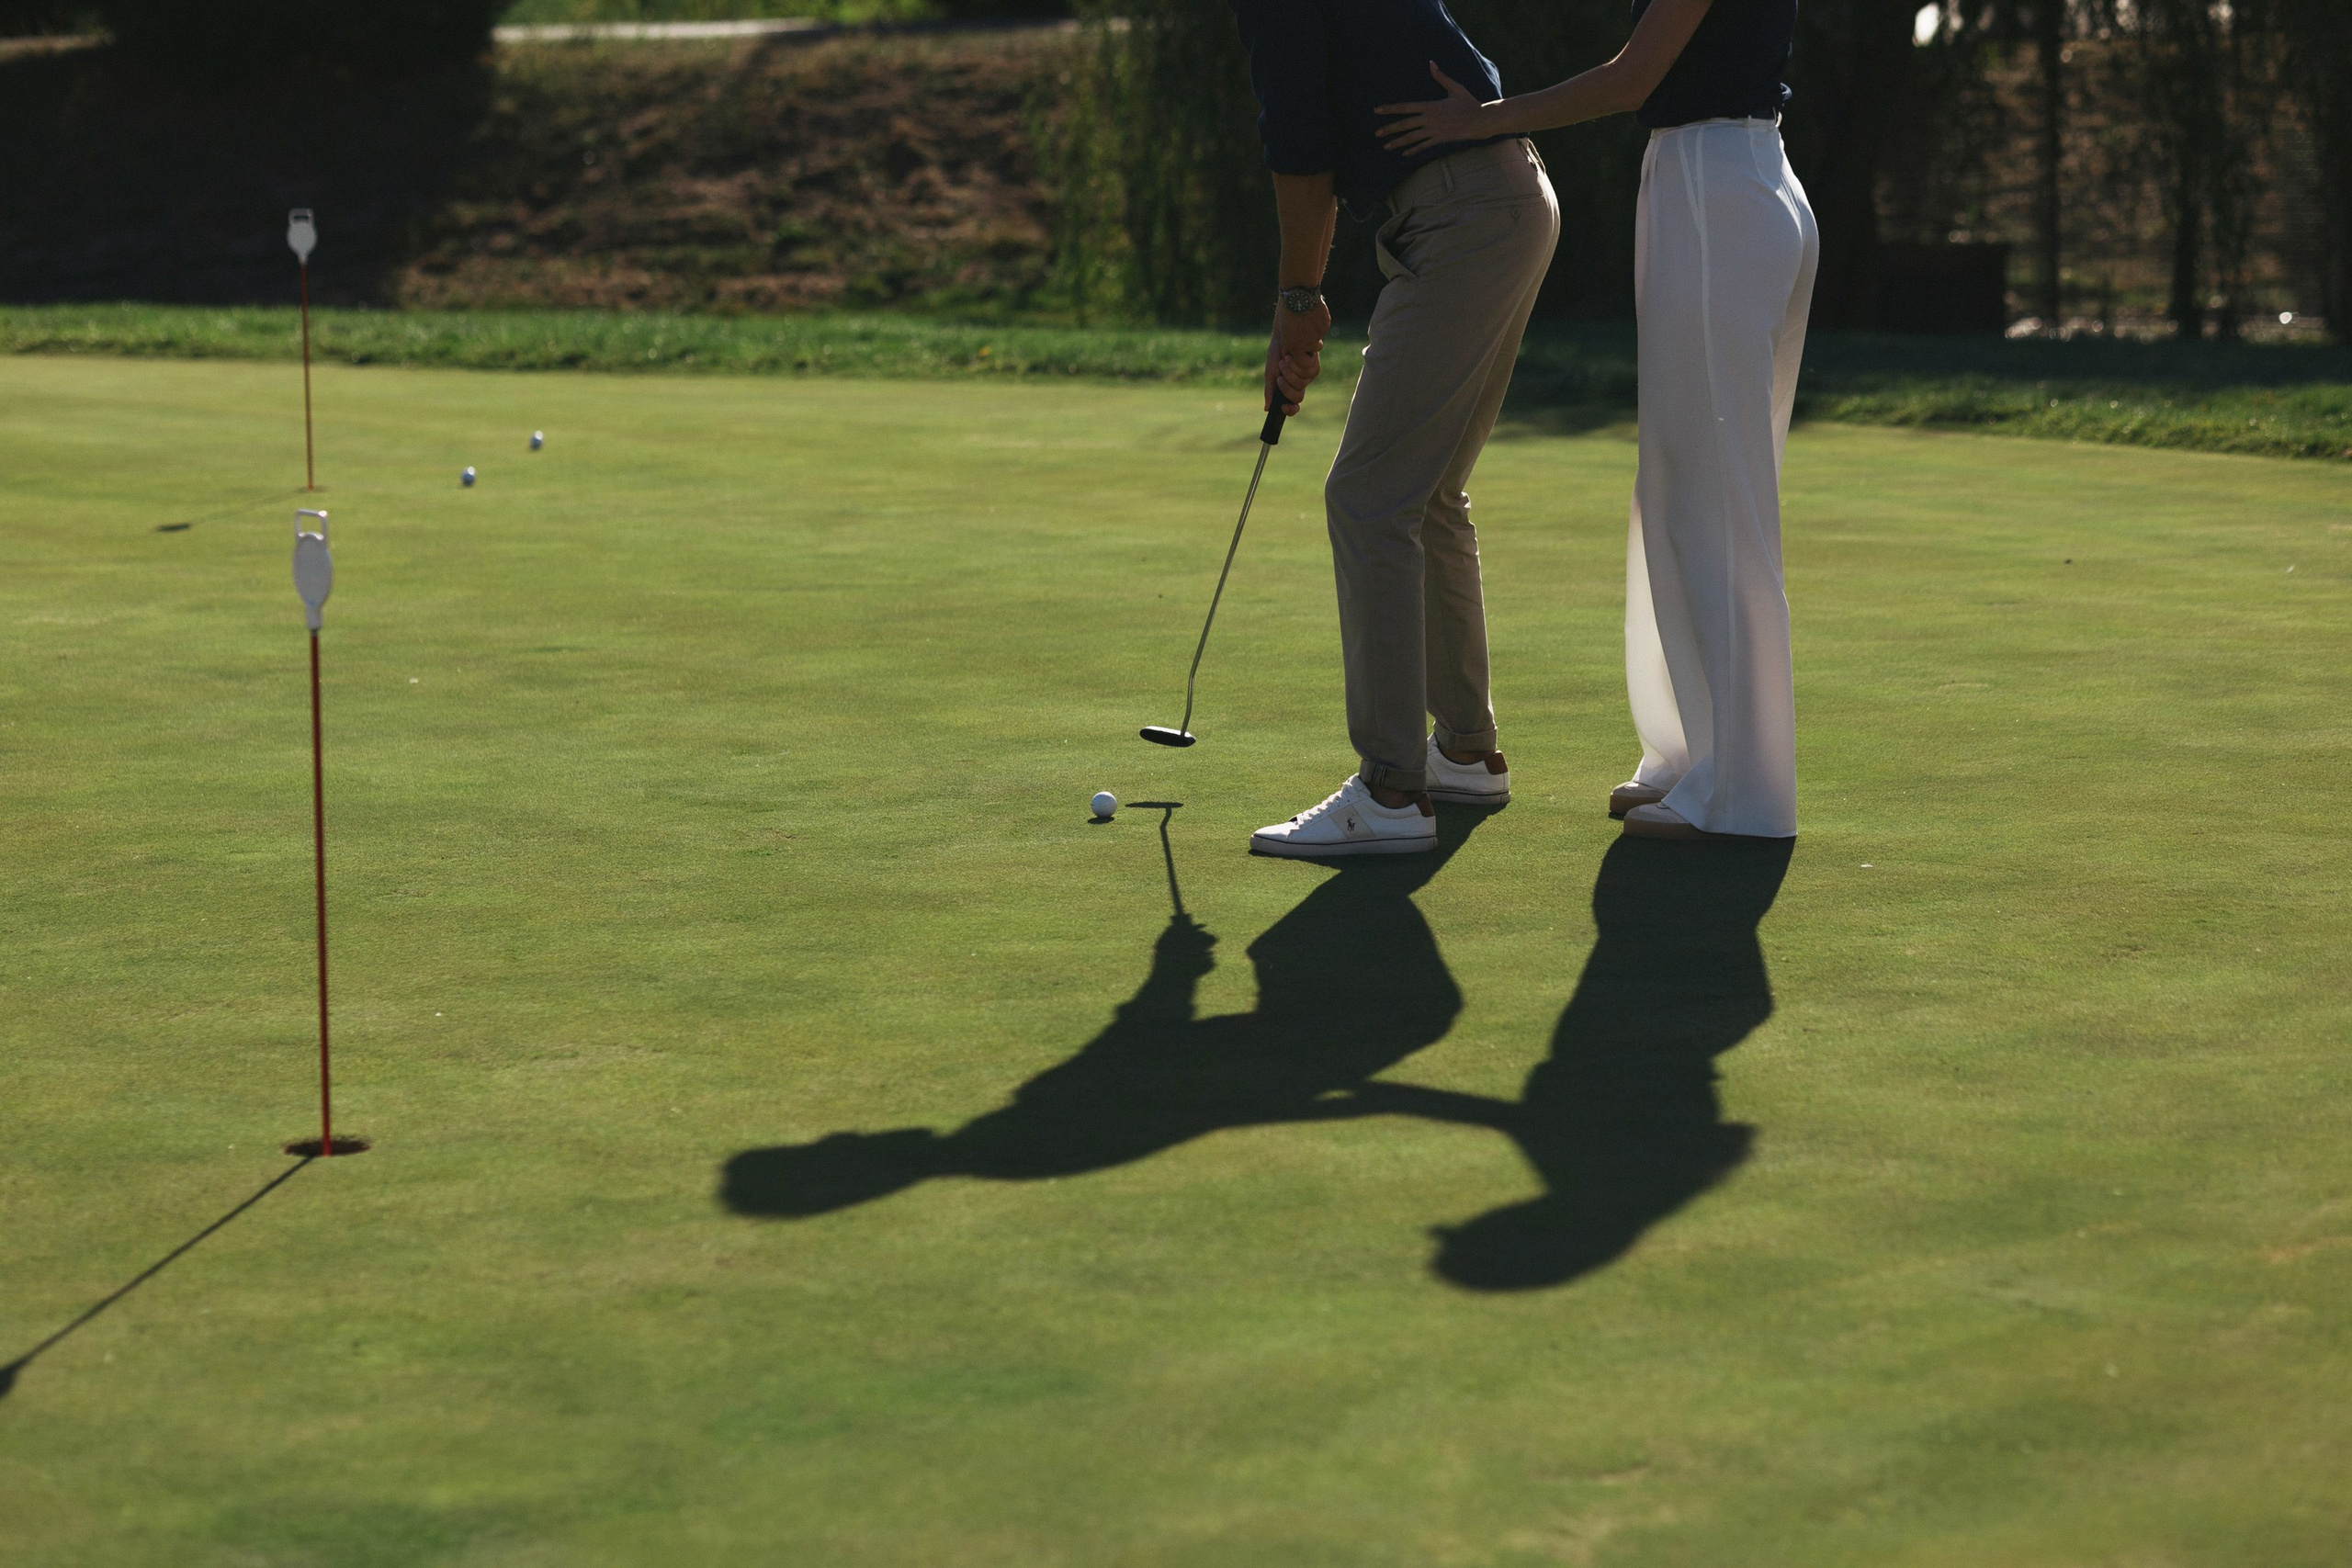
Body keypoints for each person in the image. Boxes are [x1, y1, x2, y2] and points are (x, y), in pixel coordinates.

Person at [1378, 0, 1817, 841]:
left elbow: (1632, 78)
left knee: (1711, 501)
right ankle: (1693, 759)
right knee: (1688, 490)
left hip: (1711, 184)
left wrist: (1483, 121)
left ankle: (1741, 797)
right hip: (1743, 178)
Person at [1230, 0, 1560, 858]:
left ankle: (1389, 789)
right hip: (1505, 196)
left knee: (1370, 496)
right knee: (1428, 491)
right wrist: (1302, 299)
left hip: (1464, 212)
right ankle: (1462, 749)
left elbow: (1299, 141)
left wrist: (1298, 301)